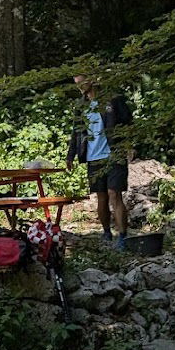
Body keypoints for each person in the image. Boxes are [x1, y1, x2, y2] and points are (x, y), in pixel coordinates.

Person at [65, 75, 133, 248]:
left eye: (82, 81)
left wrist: (130, 145)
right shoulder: (81, 106)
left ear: (92, 79)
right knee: (101, 196)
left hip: (114, 154)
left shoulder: (112, 99)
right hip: (93, 157)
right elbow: (76, 132)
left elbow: (127, 122)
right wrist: (70, 155)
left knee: (114, 193)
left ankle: (122, 236)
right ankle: (106, 232)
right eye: (76, 82)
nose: (78, 85)